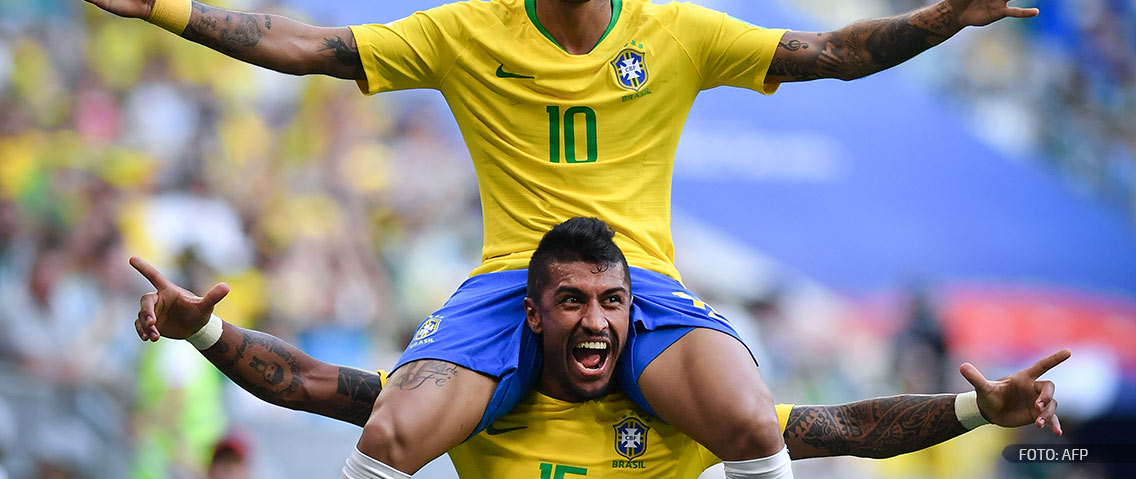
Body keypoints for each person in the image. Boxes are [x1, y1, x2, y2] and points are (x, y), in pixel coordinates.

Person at [57, 0, 1047, 478]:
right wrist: (168, 8)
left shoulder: (679, 33)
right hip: (509, 284)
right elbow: (311, 46)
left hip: (636, 286)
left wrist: (940, 19)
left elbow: (828, 56)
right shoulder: (459, 34)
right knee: (389, 438)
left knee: (753, 420)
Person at [130, 217, 1067, 478]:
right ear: (533, 316)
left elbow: (845, 426)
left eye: (612, 301)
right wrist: (203, 326)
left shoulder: (684, 411)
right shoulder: (476, 400)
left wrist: (978, 407)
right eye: (571, 300)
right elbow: (306, 382)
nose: (595, 319)